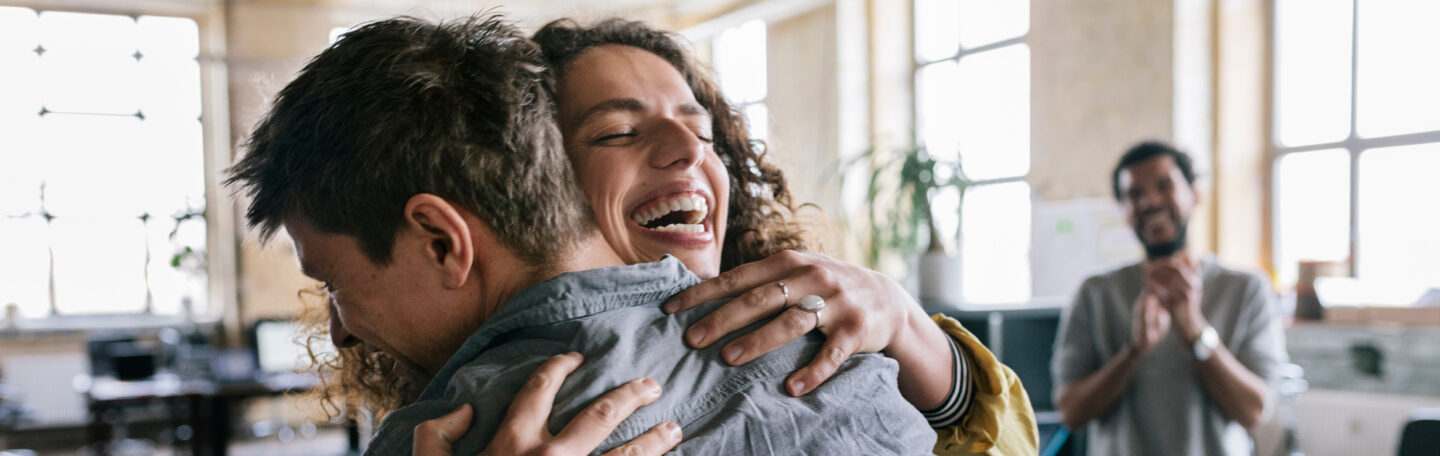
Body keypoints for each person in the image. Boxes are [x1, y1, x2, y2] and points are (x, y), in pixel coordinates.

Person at [228, 15, 935, 455]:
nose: (689, 154)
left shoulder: (437, 434)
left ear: (444, 239)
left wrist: (908, 325)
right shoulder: (841, 367)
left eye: (703, 131)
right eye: (618, 132)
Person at [1051, 141, 1290, 455]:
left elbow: (1255, 411)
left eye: (1164, 186)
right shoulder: (1094, 293)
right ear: (1124, 212)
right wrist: (1133, 351)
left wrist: (1196, 333)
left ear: (1194, 194)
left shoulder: (1246, 289)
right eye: (1134, 194)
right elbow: (1071, 413)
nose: (1150, 201)